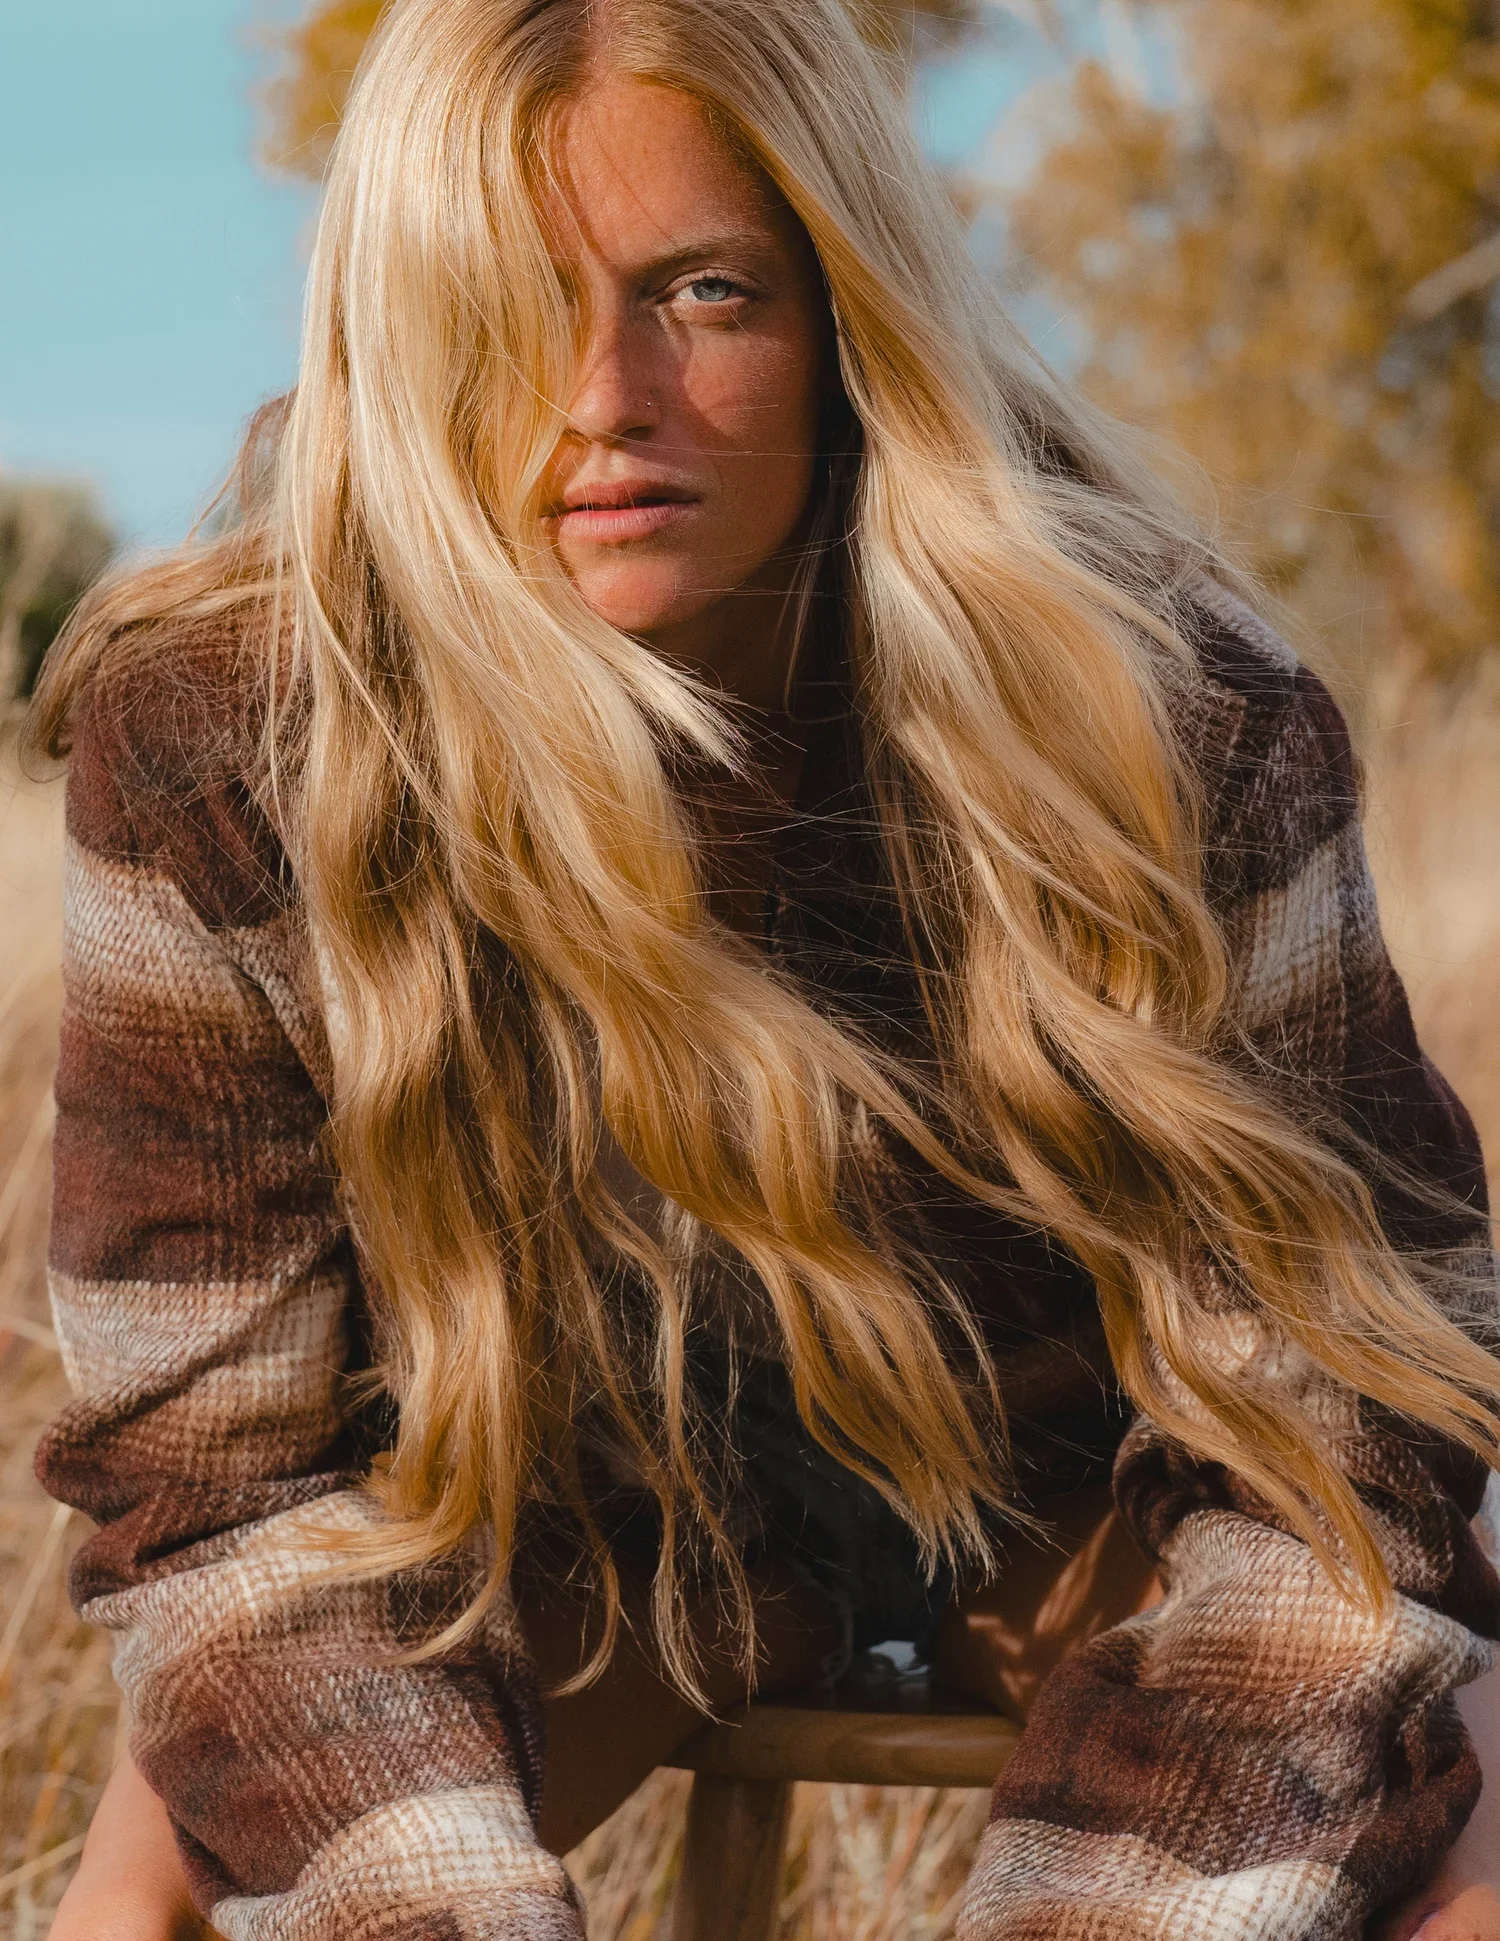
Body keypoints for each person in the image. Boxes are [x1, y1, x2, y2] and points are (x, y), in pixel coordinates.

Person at [29, 2, 1500, 1936]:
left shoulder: (1171, 711)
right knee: (161, 1849)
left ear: (842, 317)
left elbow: (1345, 1440)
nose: (603, 392)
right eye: (507, 299)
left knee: (1461, 1790)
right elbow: (217, 1486)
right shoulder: (229, 736)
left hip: (1082, 1483)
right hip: (560, 1513)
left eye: (705, 293)